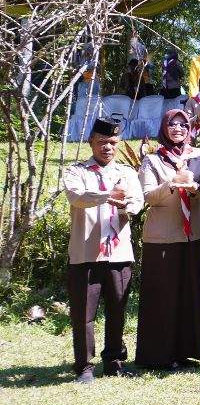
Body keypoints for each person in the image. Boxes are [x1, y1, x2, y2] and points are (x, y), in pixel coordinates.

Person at [62, 118, 144, 383]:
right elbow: (77, 196)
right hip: (85, 252)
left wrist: (125, 207)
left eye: (112, 142)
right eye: (101, 142)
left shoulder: (127, 173)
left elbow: (136, 202)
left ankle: (114, 362)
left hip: (118, 252)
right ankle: (84, 366)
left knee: (117, 308)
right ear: (91, 142)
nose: (107, 147)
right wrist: (109, 196)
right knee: (83, 313)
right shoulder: (77, 171)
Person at [136, 109, 200, 371]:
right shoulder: (152, 161)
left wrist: (196, 190)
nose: (177, 128)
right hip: (162, 238)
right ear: (164, 127)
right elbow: (148, 196)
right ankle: (158, 355)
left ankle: (186, 351)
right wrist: (172, 184)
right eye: (172, 124)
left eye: (183, 124)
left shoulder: (199, 157)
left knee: (190, 293)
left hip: (193, 236)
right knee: (162, 296)